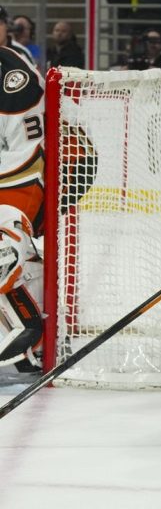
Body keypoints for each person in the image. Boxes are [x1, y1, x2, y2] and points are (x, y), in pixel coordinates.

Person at [0, 45, 46, 374]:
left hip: (19, 181)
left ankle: (34, 331)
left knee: (4, 253)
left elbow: (28, 160)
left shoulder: (13, 76)